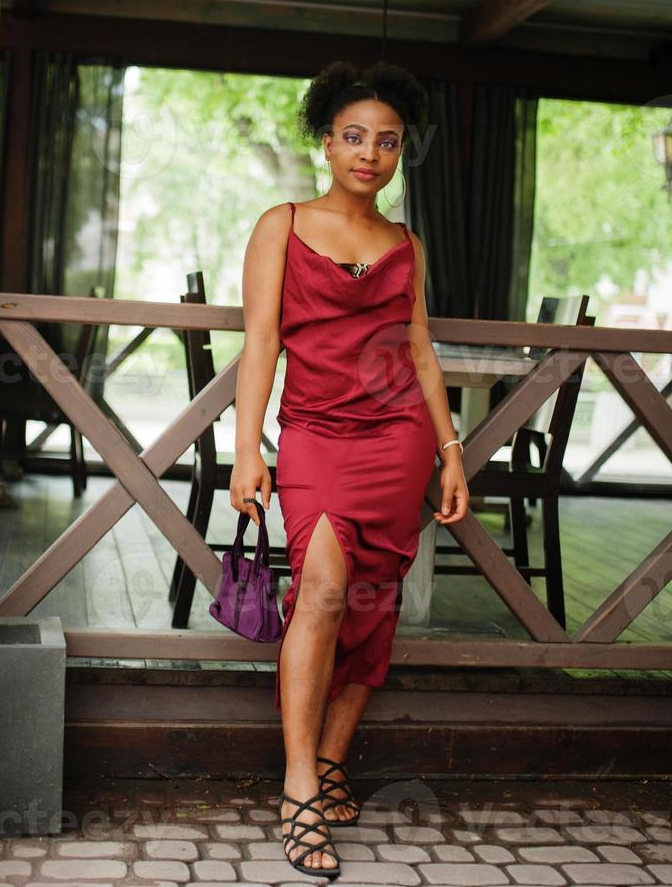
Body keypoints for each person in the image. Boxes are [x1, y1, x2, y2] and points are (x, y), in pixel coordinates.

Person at [230, 60, 470, 879]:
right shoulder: (281, 224)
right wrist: (244, 451)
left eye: (388, 142)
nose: (370, 153)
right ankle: (299, 785)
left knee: (373, 599)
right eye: (355, 137)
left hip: (398, 438)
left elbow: (421, 354)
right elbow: (260, 341)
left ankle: (333, 760)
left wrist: (449, 453)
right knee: (323, 590)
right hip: (315, 437)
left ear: (400, 154)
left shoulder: (407, 244)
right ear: (326, 142)